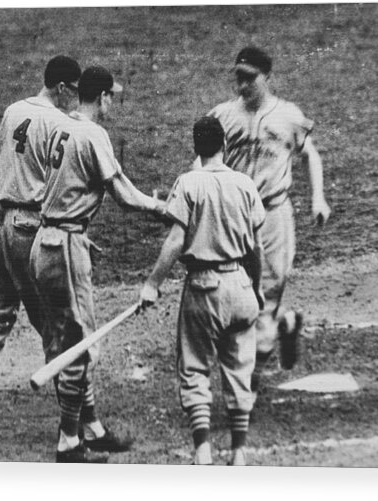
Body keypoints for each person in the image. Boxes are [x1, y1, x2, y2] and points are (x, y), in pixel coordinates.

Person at [29, 65, 165, 463]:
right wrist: (161, 207)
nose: (112, 103)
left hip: (45, 242)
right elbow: (123, 194)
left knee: (62, 339)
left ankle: (91, 427)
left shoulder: (58, 125)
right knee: (81, 348)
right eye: (111, 97)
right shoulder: (93, 134)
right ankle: (69, 441)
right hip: (67, 247)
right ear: (102, 96)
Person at [0, 55, 82, 448]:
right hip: (29, 230)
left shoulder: (14, 110)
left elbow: (11, 170)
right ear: (61, 88)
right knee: (54, 323)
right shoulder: (59, 123)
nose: (75, 99)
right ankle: (73, 430)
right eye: (73, 91)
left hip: (0, 226)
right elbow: (57, 185)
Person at [196, 46, 332, 393]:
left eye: (249, 78)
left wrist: (318, 198)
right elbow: (201, 162)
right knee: (234, 298)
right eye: (238, 78)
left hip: (274, 217)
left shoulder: (288, 115)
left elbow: (310, 156)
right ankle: (284, 325)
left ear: (267, 77)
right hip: (235, 219)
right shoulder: (223, 116)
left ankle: (248, 386)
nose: (242, 86)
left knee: (265, 297)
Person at [140, 116, 265, 466]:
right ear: (224, 145)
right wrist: (256, 290)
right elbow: (255, 248)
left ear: (196, 149)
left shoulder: (188, 182)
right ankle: (239, 452)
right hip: (240, 284)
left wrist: (152, 284)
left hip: (203, 288)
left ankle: (203, 451)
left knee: (195, 368)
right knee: (240, 367)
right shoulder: (244, 183)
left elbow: (176, 240)